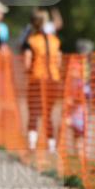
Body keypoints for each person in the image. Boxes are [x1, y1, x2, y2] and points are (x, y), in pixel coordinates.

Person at [23, 8, 63, 154]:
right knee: (48, 113)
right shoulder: (55, 41)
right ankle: (51, 146)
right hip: (53, 80)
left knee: (33, 112)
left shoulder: (31, 40)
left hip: (37, 80)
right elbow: (59, 62)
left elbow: (27, 64)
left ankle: (32, 145)